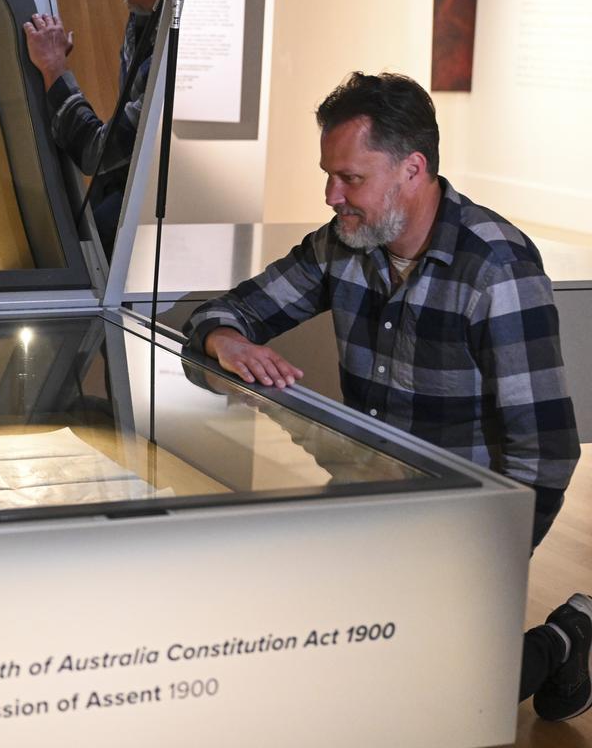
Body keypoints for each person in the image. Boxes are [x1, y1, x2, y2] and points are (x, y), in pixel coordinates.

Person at [183, 71, 590, 722]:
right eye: (328, 175)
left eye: (349, 178)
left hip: (463, 525)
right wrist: (226, 340)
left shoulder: (496, 268)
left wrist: (487, 562)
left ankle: (567, 635)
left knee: (430, 698)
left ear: (412, 169)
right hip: (366, 504)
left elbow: (545, 452)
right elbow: (230, 311)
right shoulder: (341, 243)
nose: (329, 194)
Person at [23, 0, 162, 256]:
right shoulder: (146, 16)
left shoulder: (182, 52)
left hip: (148, 232)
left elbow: (96, 154)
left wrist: (54, 67)